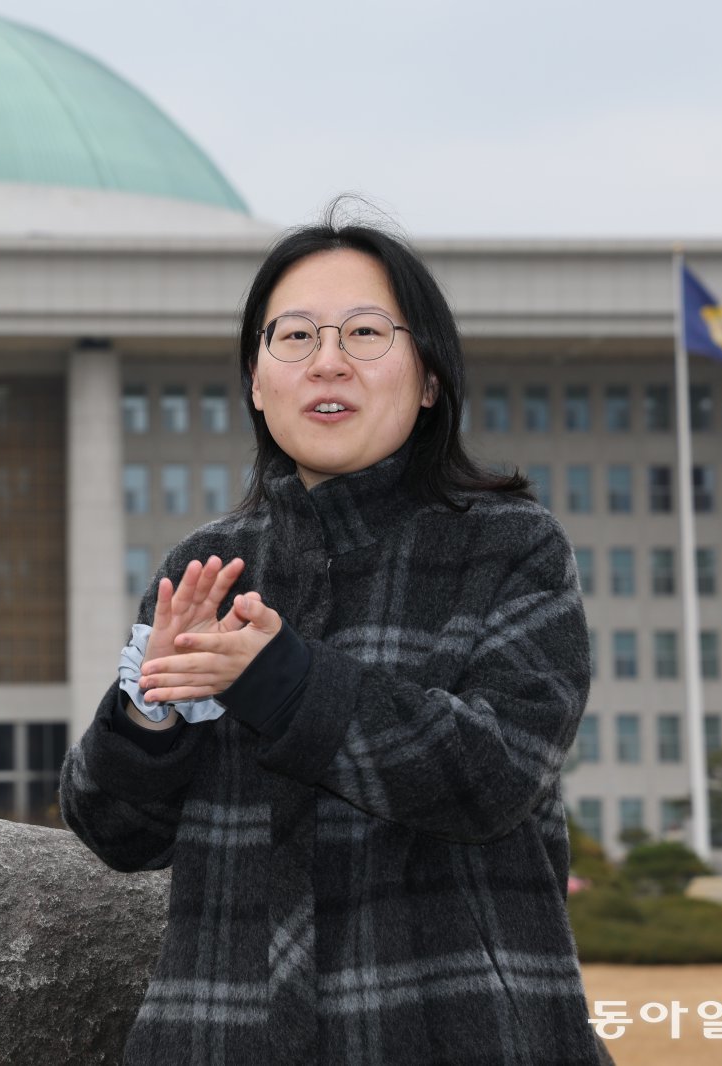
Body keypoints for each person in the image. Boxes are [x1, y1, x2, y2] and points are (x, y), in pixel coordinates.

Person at [59, 212, 613, 1065]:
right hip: (218, 1038)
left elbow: (495, 774)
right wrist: (151, 712)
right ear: (255, 381)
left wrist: (285, 684)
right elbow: (116, 834)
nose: (328, 360)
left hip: (453, 1032)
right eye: (296, 336)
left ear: (429, 379)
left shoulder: (509, 546)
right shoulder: (209, 563)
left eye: (365, 333)